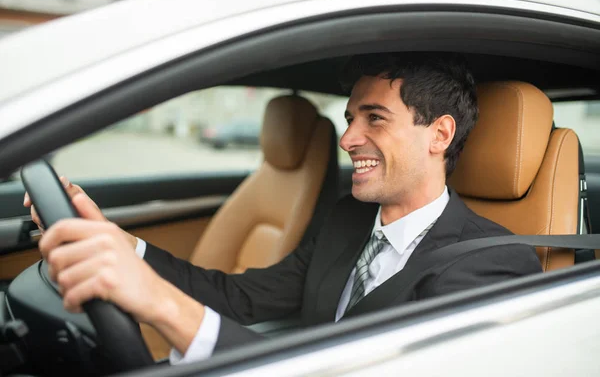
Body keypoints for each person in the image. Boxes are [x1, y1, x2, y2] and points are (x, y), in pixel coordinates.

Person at [25, 53, 543, 364]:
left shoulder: (491, 263)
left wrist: (164, 307)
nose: (347, 138)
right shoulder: (347, 219)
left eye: (374, 119)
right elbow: (238, 297)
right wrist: (122, 246)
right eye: (349, 118)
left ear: (440, 134)